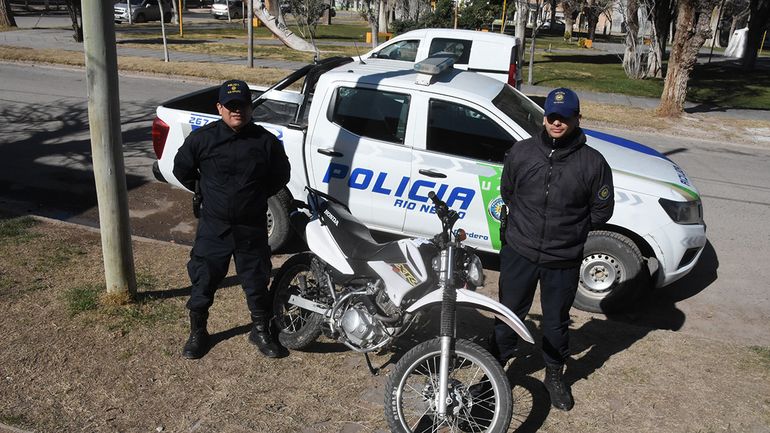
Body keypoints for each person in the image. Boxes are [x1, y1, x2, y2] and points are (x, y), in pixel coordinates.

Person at [491, 87, 614, 411]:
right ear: (544, 117)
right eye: (552, 116)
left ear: (577, 118)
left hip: (563, 259)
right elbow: (508, 193)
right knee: (508, 314)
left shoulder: (593, 162)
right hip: (520, 250)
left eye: (565, 117)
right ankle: (492, 370)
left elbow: (602, 211)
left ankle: (555, 374)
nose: (557, 122)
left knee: (556, 322)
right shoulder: (521, 153)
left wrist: (570, 232)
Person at [173, 79, 291, 360]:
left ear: (251, 107)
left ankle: (261, 330)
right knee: (204, 279)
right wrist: (207, 193)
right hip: (214, 226)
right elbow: (182, 170)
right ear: (220, 108)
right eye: (231, 106)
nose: (237, 111)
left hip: (251, 227)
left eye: (242, 105)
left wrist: (254, 196)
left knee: (256, 280)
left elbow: (280, 176)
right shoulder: (202, 139)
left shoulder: (265, 142)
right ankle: (198, 332)